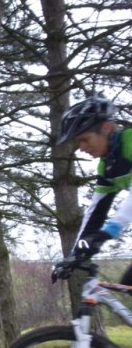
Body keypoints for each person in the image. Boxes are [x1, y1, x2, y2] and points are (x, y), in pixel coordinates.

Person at [51, 95, 132, 282]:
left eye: (85, 139)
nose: (81, 147)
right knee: (128, 283)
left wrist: (108, 231)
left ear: (106, 128)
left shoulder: (129, 141)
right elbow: (95, 213)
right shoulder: (107, 166)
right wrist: (76, 253)